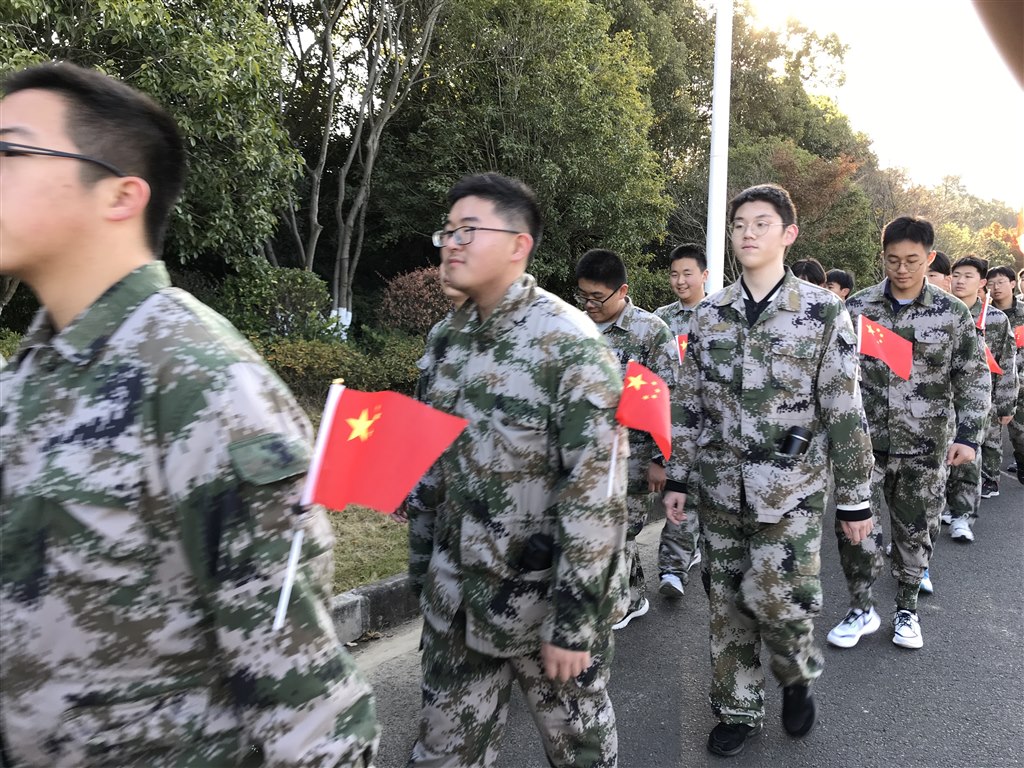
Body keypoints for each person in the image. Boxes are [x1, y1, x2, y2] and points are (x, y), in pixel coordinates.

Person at [0, 63, 378, 766]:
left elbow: (312, 710)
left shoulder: (200, 381)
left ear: (120, 195)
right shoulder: (31, 372)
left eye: (11, 150)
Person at [404, 173, 629, 767]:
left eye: (468, 230)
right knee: (441, 754)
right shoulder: (446, 341)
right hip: (456, 602)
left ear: (518, 244)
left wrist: (573, 623)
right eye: (447, 231)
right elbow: (431, 472)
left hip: (540, 602)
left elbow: (596, 495)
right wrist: (421, 573)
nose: (451, 244)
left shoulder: (569, 344)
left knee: (580, 751)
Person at [664, 183, 873, 757]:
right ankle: (737, 708)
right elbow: (688, 402)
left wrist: (855, 497)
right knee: (728, 602)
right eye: (739, 225)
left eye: (761, 223)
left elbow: (843, 407)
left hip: (792, 490)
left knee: (782, 600)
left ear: (788, 234)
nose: (747, 233)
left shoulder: (823, 311)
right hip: (719, 488)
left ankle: (795, 673)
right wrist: (678, 475)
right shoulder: (709, 314)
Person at [828, 217, 988, 653]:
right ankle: (861, 606)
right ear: (882, 257)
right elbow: (834, 376)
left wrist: (969, 435)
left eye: (912, 261)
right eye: (893, 260)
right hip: (864, 446)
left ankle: (906, 607)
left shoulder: (951, 313)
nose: (901, 269)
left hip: (925, 446)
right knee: (854, 528)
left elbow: (973, 377)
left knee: (916, 530)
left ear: (929, 258)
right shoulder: (857, 309)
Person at [575, 248, 680, 627]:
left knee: (622, 530)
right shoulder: (577, 327)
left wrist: (660, 461)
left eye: (597, 297)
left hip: (633, 456)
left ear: (622, 291)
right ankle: (620, 594)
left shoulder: (651, 332)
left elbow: (671, 399)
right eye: (583, 296)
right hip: (586, 451)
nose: (589, 305)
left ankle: (629, 599)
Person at [944, 256, 1016, 540]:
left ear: (982, 282)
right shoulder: (942, 311)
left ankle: (962, 516)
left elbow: (1006, 362)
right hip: (939, 401)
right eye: (956, 275)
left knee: (967, 459)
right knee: (935, 461)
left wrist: (1006, 403)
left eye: (968, 276)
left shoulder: (995, 320)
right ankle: (938, 512)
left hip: (976, 401)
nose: (960, 281)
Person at [652, 243, 708, 599]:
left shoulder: (718, 315)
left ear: (704, 275)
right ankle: (672, 569)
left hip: (710, 422)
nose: (680, 280)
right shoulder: (661, 320)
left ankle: (691, 547)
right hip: (672, 423)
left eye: (687, 273)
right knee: (680, 491)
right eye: (674, 274)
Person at [986, 264, 1024, 486]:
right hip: (991, 384)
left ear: (1012, 283)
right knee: (990, 436)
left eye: (1000, 282)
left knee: (1020, 435)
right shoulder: (984, 315)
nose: (996, 287)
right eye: (991, 283)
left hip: (1021, 385)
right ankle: (989, 479)